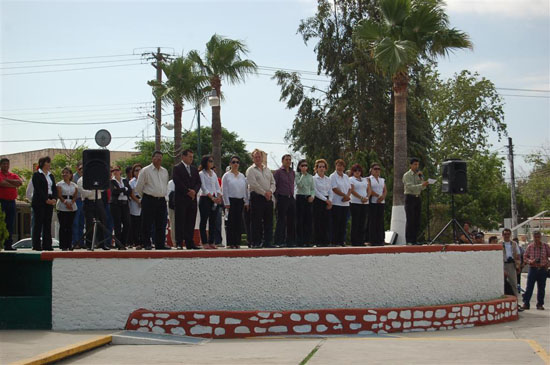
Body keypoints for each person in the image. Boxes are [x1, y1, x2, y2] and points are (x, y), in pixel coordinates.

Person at [135, 151, 171, 250]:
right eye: (157, 157)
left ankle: (160, 244)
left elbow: (165, 185)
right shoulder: (145, 170)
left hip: (161, 199)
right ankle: (146, 243)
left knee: (161, 223)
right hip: (149, 198)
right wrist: (145, 197)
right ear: (152, 158)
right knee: (147, 223)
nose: (159, 159)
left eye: (160, 157)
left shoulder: (164, 171)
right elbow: (138, 187)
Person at [246, 149, 275, 248]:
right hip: (257, 197)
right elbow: (253, 184)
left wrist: (270, 192)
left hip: (268, 198)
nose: (258, 158)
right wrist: (264, 193)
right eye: (256, 157)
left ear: (262, 158)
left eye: (259, 156)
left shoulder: (267, 170)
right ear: (253, 158)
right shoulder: (250, 170)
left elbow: (273, 182)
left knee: (268, 221)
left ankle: (267, 242)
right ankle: (256, 242)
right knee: (256, 221)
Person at [173, 149, 201, 250]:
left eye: (192, 157)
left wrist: (194, 191)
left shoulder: (194, 169)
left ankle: (190, 242)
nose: (191, 159)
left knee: (191, 221)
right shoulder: (177, 168)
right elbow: (177, 182)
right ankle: (179, 243)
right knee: (180, 221)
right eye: (189, 157)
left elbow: (198, 182)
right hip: (181, 199)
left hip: (192, 199)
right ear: (183, 157)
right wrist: (187, 191)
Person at [78, 166, 109, 250]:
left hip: (98, 201)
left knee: (102, 221)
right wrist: (94, 190)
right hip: (89, 202)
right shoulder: (81, 180)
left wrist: (94, 189)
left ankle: (101, 244)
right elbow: (85, 193)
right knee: (89, 223)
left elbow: (102, 189)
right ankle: (89, 244)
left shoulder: (95, 177)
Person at [222, 155, 249, 249]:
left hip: (240, 201)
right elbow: (224, 190)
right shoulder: (226, 176)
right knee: (231, 223)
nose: (235, 164)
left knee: (238, 222)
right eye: (233, 162)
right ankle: (230, 243)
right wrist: (226, 203)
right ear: (230, 164)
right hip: (230, 201)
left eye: (237, 162)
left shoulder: (242, 176)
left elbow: (245, 190)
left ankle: (237, 242)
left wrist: (246, 202)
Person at [31, 156, 57, 251]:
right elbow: (38, 189)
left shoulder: (51, 175)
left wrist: (54, 198)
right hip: (40, 202)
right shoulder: (37, 175)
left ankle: (47, 245)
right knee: (38, 223)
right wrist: (45, 199)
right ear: (42, 164)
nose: (49, 165)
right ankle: (36, 245)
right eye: (47, 163)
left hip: (50, 200)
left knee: (47, 223)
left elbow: (54, 188)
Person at [198, 155, 222, 249]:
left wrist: (218, 196)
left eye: (212, 161)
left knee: (213, 221)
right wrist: (211, 197)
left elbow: (217, 186)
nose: (212, 163)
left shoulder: (213, 173)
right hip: (205, 199)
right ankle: (204, 242)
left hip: (214, 199)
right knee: (204, 221)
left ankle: (212, 241)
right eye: (210, 161)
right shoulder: (201, 174)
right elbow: (203, 187)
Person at [403, 158, 429, 245]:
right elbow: (410, 187)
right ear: (410, 165)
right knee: (410, 220)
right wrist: (421, 185)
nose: (416, 166)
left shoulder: (419, 174)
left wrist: (423, 180)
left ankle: (414, 240)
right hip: (410, 197)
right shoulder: (407, 175)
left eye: (417, 164)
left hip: (418, 198)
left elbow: (423, 187)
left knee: (417, 220)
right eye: (414, 164)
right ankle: (409, 241)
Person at [522, 231, 550, 310]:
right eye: (535, 237)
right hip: (533, 269)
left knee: (541, 288)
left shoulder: (545, 246)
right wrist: (530, 261)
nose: (537, 238)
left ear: (540, 237)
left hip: (542, 269)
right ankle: (526, 303)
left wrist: (548, 263)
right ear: (533, 237)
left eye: (538, 237)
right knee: (529, 287)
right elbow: (525, 257)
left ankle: (540, 304)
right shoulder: (530, 247)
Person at [273, 154, 296, 247]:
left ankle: (290, 241)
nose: (288, 161)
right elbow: (274, 186)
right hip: (282, 198)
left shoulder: (292, 172)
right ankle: (279, 241)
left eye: (290, 160)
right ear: (282, 161)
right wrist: (277, 198)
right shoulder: (278, 172)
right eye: (286, 159)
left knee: (291, 221)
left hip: (291, 198)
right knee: (281, 221)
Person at [0, 158, 22, 250]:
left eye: (7, 164)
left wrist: (7, 180)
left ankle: (8, 244)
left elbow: (20, 182)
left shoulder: (13, 175)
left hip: (11, 202)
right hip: (2, 201)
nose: (5, 165)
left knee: (10, 223)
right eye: (4, 164)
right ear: (1, 165)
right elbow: (2, 183)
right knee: (2, 223)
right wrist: (13, 184)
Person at [55, 167, 78, 251]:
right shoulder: (59, 184)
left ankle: (69, 244)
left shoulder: (74, 185)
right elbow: (59, 195)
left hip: (72, 206)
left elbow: (75, 195)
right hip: (62, 206)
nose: (65, 174)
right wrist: (65, 203)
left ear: (70, 174)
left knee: (69, 226)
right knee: (63, 226)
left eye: (67, 173)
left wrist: (71, 203)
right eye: (63, 173)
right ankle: (63, 245)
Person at [330, 159, 351, 246]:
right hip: (336, 203)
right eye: (338, 165)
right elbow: (334, 188)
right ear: (336, 166)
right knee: (336, 223)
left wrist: (347, 196)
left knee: (343, 223)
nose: (340, 167)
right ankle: (334, 241)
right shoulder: (332, 176)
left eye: (342, 166)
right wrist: (344, 196)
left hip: (345, 203)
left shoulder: (346, 176)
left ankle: (342, 241)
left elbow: (350, 188)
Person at [313, 159, 333, 247]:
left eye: (323, 167)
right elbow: (315, 191)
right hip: (318, 201)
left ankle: (326, 241)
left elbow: (331, 190)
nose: (321, 168)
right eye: (320, 167)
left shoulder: (328, 179)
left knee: (326, 222)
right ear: (316, 168)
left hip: (328, 201)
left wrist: (330, 201)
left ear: (325, 168)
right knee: (318, 221)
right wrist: (325, 200)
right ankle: (318, 241)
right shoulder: (313, 179)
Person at [110, 166, 131, 248]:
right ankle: (118, 244)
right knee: (117, 224)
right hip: (116, 204)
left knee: (127, 223)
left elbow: (129, 190)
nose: (115, 172)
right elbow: (114, 191)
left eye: (117, 170)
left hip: (125, 204)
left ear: (120, 171)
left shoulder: (125, 180)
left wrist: (121, 189)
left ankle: (123, 242)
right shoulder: (112, 181)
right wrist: (123, 189)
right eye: (113, 170)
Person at [295, 159, 314, 247]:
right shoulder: (297, 175)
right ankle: (300, 241)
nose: (304, 167)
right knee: (300, 220)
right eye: (302, 165)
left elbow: (313, 188)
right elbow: (299, 185)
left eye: (306, 165)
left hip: (308, 198)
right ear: (299, 167)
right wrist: (302, 174)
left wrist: (312, 196)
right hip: (300, 197)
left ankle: (308, 241)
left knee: (308, 220)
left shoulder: (310, 176)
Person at [349, 164, 368, 246]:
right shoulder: (351, 179)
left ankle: (361, 240)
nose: (357, 172)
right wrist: (361, 198)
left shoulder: (364, 180)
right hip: (355, 202)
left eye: (359, 170)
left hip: (364, 203)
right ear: (352, 171)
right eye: (355, 170)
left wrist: (367, 197)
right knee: (355, 222)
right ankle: (354, 241)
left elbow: (368, 189)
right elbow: (352, 190)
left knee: (362, 222)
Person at [368, 163, 386, 246]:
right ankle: (373, 240)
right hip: (373, 201)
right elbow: (369, 190)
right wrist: (378, 196)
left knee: (380, 221)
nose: (377, 170)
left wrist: (383, 196)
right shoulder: (369, 179)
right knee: (373, 221)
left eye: (378, 169)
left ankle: (381, 239)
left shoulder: (382, 179)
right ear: (371, 170)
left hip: (381, 202)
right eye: (375, 169)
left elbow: (385, 190)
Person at [501, 228, 521, 299]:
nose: (507, 236)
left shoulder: (514, 244)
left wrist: (518, 266)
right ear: (502, 235)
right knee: (502, 283)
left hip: (512, 264)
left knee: (514, 283)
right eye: (505, 234)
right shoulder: (500, 244)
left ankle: (516, 301)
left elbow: (518, 255)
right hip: (503, 265)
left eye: (508, 234)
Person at [128, 164, 142, 248]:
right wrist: (138, 201)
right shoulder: (132, 182)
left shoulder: (145, 180)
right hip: (135, 203)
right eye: (136, 170)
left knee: (142, 224)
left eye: (140, 170)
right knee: (135, 224)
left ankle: (143, 241)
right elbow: (132, 194)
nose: (138, 172)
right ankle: (136, 242)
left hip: (144, 202)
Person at [71, 162, 85, 249]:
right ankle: (75, 242)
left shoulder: (86, 177)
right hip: (76, 201)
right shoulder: (73, 177)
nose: (82, 170)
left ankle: (81, 242)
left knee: (82, 223)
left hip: (84, 201)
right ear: (77, 168)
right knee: (75, 223)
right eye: (80, 169)